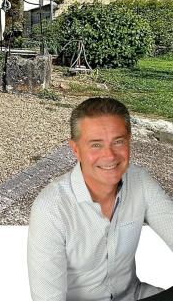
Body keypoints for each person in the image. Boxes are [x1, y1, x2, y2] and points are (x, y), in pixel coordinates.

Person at [27, 97, 173, 301]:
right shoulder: (51, 208)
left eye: (118, 142)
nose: (110, 156)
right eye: (96, 144)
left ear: (129, 141)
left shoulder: (140, 181)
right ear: (75, 149)